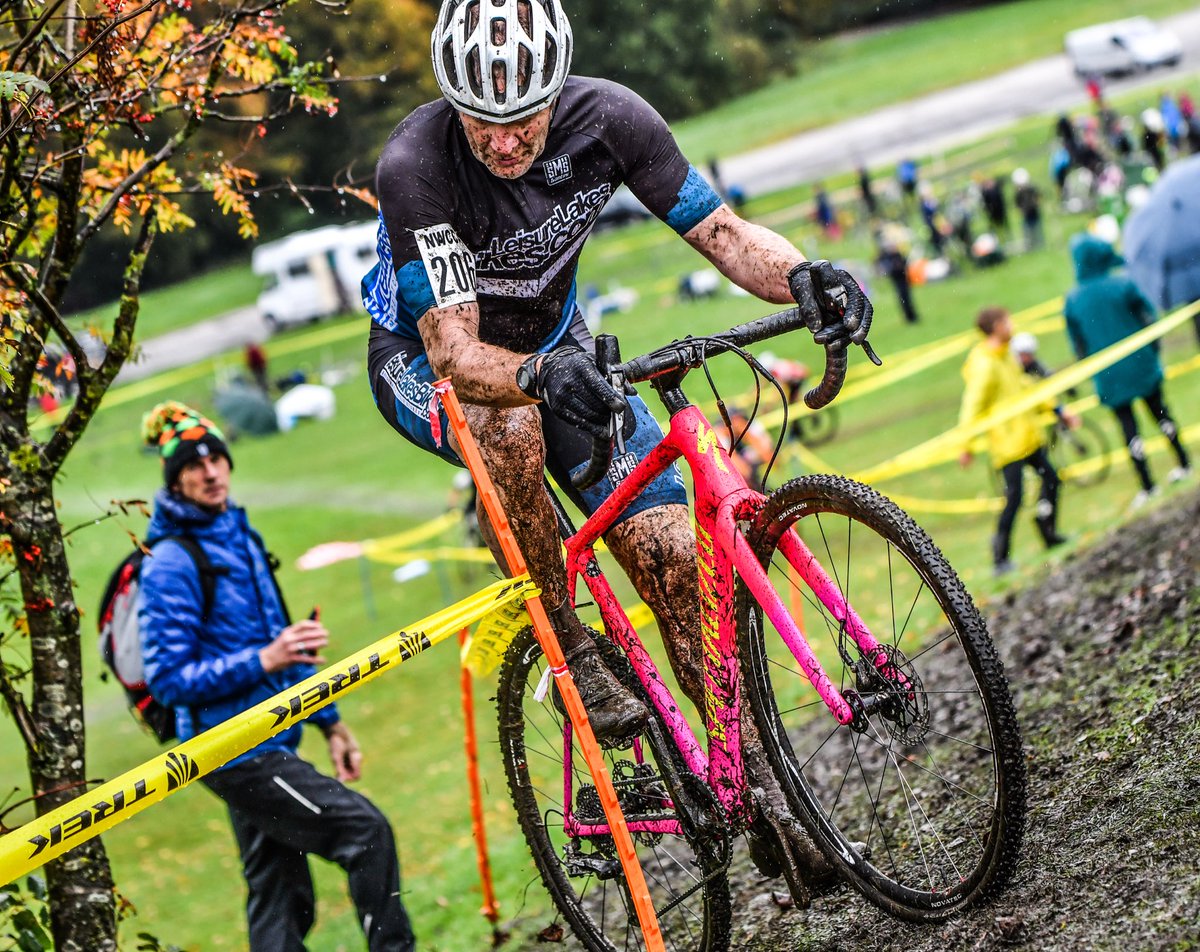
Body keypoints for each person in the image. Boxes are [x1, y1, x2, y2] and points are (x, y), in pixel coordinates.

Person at [362, 0, 873, 903]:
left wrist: (804, 276)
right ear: (452, 104)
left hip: (559, 341)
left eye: (524, 116)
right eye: (482, 118)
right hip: (430, 365)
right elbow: (454, 350)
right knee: (508, 422)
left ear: (559, 93)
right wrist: (539, 378)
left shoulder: (614, 120)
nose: (505, 140)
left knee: (678, 554)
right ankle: (571, 654)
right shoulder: (416, 164)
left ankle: (760, 795)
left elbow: (723, 234)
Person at [137, 402, 416, 952]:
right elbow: (168, 679)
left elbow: (285, 649)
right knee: (365, 833)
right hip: (235, 751)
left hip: (270, 737)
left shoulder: (240, 535)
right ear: (175, 478)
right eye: (193, 465)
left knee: (281, 903)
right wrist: (263, 659)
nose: (211, 471)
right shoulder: (170, 561)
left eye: (217, 457)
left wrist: (331, 724)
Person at [1063, 233, 1192, 508]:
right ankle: (1184, 462)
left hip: (1109, 374)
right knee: (1160, 413)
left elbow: (1079, 344)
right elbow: (1149, 319)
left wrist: (1090, 368)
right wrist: (1153, 350)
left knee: (1128, 429)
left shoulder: (1074, 299)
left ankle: (1147, 485)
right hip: (1141, 363)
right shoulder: (1122, 283)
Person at [959, 308, 1069, 576]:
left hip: (1028, 436)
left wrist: (1056, 410)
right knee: (1014, 498)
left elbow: (1025, 388)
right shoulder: (985, 364)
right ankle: (1000, 557)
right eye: (1007, 321)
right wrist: (966, 445)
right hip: (1008, 445)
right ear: (996, 326)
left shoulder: (1007, 355)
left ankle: (1047, 530)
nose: (1012, 325)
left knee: (1052, 480)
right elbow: (973, 405)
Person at [1012, 168, 1043, 250]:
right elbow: (1017, 202)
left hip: (1033, 211)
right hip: (1026, 213)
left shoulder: (1031, 189)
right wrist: (1020, 209)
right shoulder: (1018, 192)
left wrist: (1036, 203)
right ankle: (1030, 245)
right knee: (1028, 230)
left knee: (1036, 228)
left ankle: (1039, 244)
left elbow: (1038, 197)